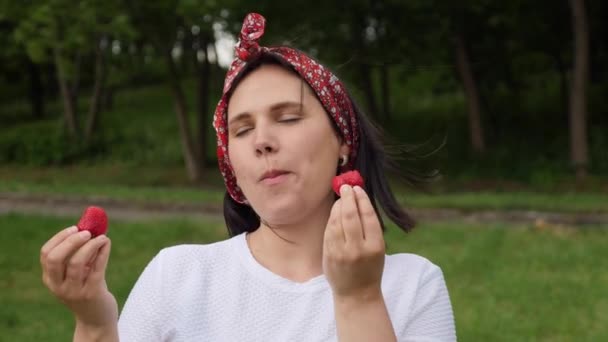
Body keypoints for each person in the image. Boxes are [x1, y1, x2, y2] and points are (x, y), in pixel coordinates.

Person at [40, 13, 456, 341]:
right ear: (231, 166)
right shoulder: (177, 275)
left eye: (288, 118)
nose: (262, 141)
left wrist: (360, 298)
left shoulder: (413, 285)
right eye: (240, 130)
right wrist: (94, 323)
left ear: (343, 141)